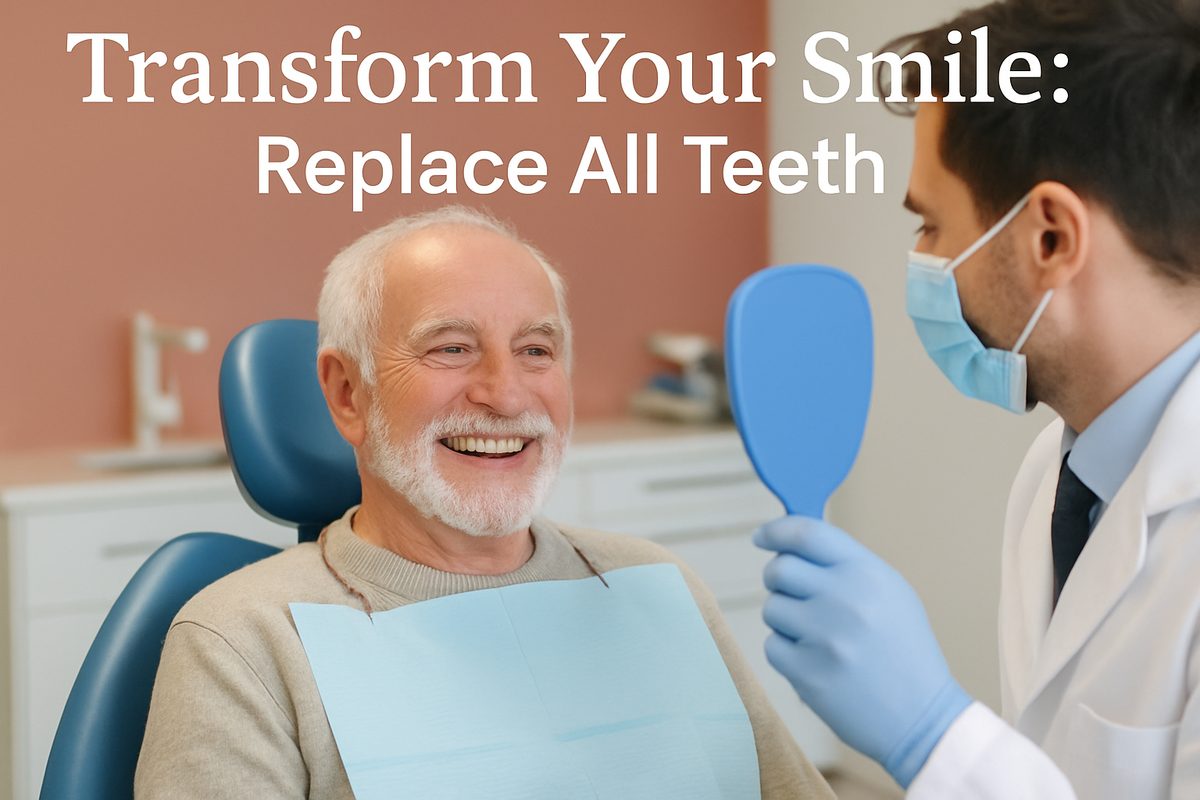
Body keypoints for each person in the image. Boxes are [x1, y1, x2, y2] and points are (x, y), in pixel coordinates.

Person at [134, 206, 834, 799]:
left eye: (535, 350)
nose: (504, 393)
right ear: (349, 393)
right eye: (452, 348)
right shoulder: (244, 643)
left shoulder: (656, 586)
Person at [755, 1, 1200, 797]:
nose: (922, 260)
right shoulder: (1061, 475)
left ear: (1051, 238)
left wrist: (933, 735)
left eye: (931, 225)